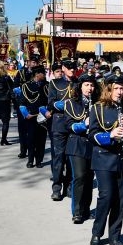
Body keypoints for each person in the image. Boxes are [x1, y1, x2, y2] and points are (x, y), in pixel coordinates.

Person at [88, 72, 123, 245]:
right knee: (106, 196)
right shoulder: (97, 108)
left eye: (122, 88)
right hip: (103, 158)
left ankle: (115, 236)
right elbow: (92, 134)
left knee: (120, 199)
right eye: (116, 88)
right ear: (108, 90)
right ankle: (97, 233)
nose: (119, 92)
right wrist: (110, 135)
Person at [64, 73, 98, 224]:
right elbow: (69, 125)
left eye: (91, 85)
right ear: (80, 86)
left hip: (93, 144)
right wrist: (84, 124)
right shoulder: (71, 103)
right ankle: (77, 212)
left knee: (90, 178)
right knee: (79, 176)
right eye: (86, 85)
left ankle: (86, 210)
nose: (89, 88)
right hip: (76, 144)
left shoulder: (97, 103)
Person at [47, 61, 74, 201]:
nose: (72, 70)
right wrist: (59, 104)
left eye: (74, 68)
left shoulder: (77, 83)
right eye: (69, 68)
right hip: (59, 124)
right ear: (63, 69)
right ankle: (56, 188)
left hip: (74, 125)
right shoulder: (55, 83)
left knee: (71, 157)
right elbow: (50, 102)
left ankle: (69, 186)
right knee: (58, 157)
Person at [18, 65, 48, 168]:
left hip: (43, 116)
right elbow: (21, 103)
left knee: (41, 140)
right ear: (36, 74)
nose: (44, 75)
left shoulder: (47, 85)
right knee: (31, 139)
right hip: (30, 116)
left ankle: (39, 160)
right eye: (42, 73)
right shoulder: (26, 86)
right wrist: (26, 114)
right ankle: (30, 160)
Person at [12, 58, 36, 159]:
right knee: (22, 128)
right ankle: (23, 150)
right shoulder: (21, 72)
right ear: (28, 62)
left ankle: (33, 150)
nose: (35, 64)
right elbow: (15, 87)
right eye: (33, 62)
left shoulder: (38, 73)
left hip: (35, 103)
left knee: (33, 129)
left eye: (36, 62)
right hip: (22, 103)